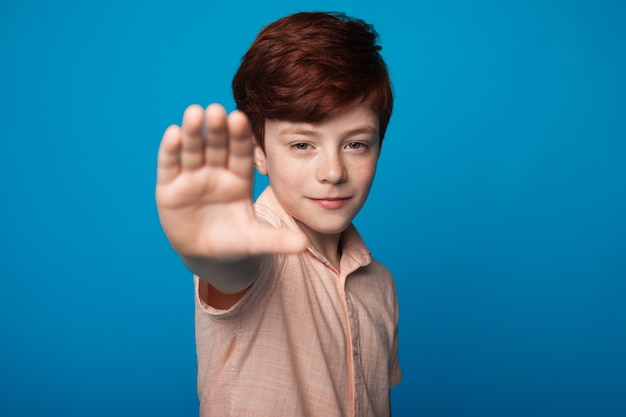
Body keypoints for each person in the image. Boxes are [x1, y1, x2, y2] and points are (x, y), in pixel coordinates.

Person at [156, 11, 401, 417]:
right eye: (302, 145)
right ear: (257, 150)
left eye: (356, 144)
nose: (333, 172)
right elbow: (233, 268)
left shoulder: (380, 285)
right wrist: (213, 255)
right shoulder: (256, 246)